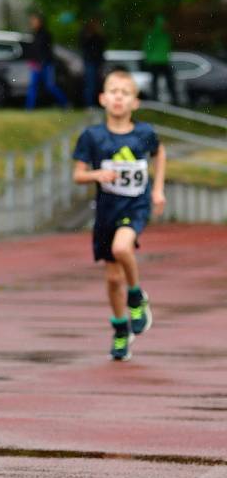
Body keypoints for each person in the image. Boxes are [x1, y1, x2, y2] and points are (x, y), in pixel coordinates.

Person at [72, 70, 166, 361]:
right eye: (113, 91)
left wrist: (158, 190)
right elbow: (78, 176)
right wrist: (97, 174)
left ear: (134, 102)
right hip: (107, 211)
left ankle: (136, 297)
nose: (118, 97)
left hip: (135, 206)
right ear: (102, 98)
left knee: (121, 247)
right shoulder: (92, 137)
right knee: (113, 279)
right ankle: (120, 329)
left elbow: (160, 153)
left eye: (125, 93)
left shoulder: (144, 134)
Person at [25, 12, 69, 110]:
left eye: (34, 21)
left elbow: (46, 51)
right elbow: (33, 50)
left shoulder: (45, 34)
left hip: (46, 64)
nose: (32, 23)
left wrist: (42, 62)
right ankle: (29, 108)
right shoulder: (34, 34)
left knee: (50, 86)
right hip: (36, 64)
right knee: (33, 86)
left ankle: (65, 103)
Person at [143, 15, 177, 104]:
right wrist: (149, 58)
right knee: (160, 82)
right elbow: (147, 48)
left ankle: (171, 100)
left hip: (161, 61)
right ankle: (157, 100)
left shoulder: (162, 35)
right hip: (156, 61)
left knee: (163, 82)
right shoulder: (157, 35)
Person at [79, 17, 106, 108]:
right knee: (90, 84)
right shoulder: (87, 35)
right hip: (90, 61)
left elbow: (101, 48)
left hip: (96, 62)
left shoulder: (98, 36)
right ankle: (89, 104)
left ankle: (94, 103)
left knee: (95, 83)